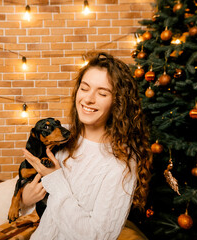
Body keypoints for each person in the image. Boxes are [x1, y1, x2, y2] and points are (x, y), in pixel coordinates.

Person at [22, 52, 153, 239]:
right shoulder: (61, 138)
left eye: (102, 93)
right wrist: (26, 199)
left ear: (117, 102)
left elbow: (97, 237)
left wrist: (55, 180)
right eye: (84, 88)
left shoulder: (121, 163)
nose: (88, 99)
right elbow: (42, 210)